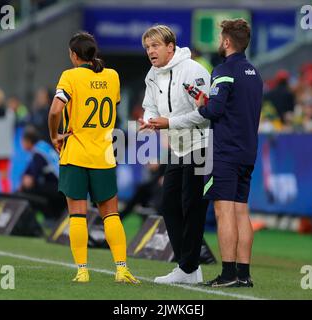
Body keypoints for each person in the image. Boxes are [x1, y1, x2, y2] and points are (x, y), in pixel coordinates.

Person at [48, 31, 139, 284]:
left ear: (74, 55)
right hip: (104, 155)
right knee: (111, 214)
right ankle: (121, 269)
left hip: (75, 152)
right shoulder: (112, 76)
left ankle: (82, 271)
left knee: (77, 214)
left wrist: (55, 135)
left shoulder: (70, 76)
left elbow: (56, 109)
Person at [139, 25, 211, 284]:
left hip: (201, 146)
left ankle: (188, 267)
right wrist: (148, 119)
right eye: (147, 47)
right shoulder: (152, 74)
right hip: (177, 148)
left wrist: (168, 123)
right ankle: (189, 267)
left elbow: (205, 113)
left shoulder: (193, 71)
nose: (150, 51)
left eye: (155, 46)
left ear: (171, 46)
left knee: (193, 207)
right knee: (168, 204)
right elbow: (148, 106)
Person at [196, 19, 263, 287]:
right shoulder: (254, 73)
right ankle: (244, 274)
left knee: (224, 212)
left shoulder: (223, 70)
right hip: (248, 151)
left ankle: (227, 274)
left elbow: (214, 110)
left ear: (226, 42)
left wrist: (202, 105)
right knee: (241, 211)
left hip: (225, 151)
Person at [20, 126, 66, 226]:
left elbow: (31, 179)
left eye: (22, 141)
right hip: (64, 185)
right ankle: (55, 216)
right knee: (39, 187)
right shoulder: (43, 146)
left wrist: (22, 185)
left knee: (28, 192)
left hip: (61, 188)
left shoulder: (38, 153)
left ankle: (47, 218)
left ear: (28, 141)